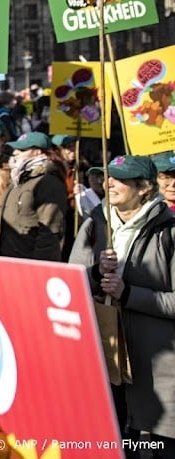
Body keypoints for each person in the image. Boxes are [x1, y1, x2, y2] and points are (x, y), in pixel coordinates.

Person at [68, 156, 175, 453]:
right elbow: (70, 285)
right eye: (107, 176)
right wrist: (95, 273)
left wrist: (128, 294)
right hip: (104, 358)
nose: (109, 183)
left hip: (156, 372)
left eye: (120, 178)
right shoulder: (94, 223)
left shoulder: (169, 231)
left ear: (144, 188)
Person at [0, 132, 68, 261]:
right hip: (8, 260)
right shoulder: (18, 179)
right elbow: (18, 215)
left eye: (22, 149)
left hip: (28, 264)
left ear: (38, 152)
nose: (16, 152)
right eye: (16, 148)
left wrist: (39, 270)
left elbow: (50, 232)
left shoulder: (49, 182)